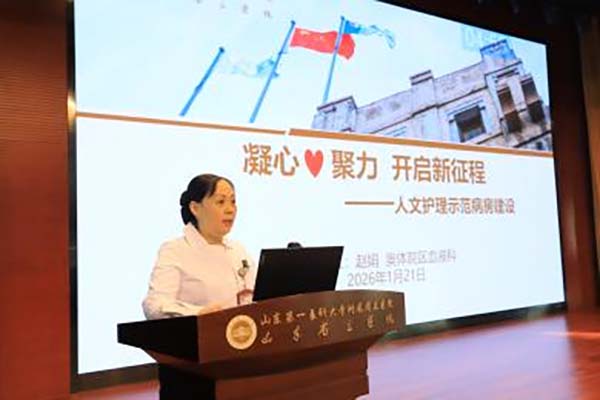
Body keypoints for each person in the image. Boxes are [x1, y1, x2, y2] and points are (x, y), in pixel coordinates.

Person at [142, 173, 256, 320]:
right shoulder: (175, 250)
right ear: (195, 208)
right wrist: (198, 313)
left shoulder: (238, 250)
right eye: (221, 202)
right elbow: (154, 306)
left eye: (233, 202)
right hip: (199, 333)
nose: (230, 209)